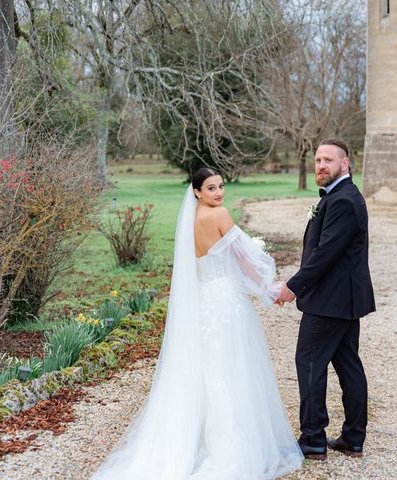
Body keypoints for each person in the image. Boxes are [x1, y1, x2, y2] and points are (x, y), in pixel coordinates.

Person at [91, 168, 303, 480]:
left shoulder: (189, 221)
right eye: (211, 188)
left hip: (204, 302)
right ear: (197, 192)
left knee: (208, 368)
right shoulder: (219, 216)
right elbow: (245, 260)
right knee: (233, 368)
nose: (219, 193)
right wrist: (269, 289)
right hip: (226, 302)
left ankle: (196, 439)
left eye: (221, 187)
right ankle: (232, 448)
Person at [277, 138, 375, 460]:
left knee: (309, 364)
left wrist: (293, 286)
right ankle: (353, 439)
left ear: (345, 164)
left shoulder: (344, 201)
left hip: (329, 302)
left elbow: (325, 254)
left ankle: (313, 440)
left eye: (328, 160)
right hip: (342, 301)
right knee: (348, 366)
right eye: (318, 160)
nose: (321, 165)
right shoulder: (339, 196)